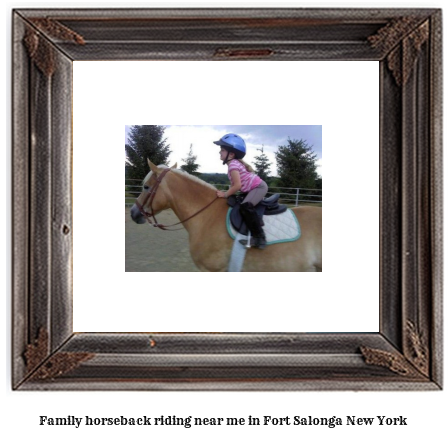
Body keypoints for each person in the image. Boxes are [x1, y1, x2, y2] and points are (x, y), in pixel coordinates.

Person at [214, 133, 268, 249]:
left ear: (231, 154)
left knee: (246, 206)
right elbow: (235, 184)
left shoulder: (233, 165)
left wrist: (225, 194)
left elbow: (237, 186)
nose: (220, 152)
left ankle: (259, 238)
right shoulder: (234, 164)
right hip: (252, 188)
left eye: (222, 150)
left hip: (259, 187)